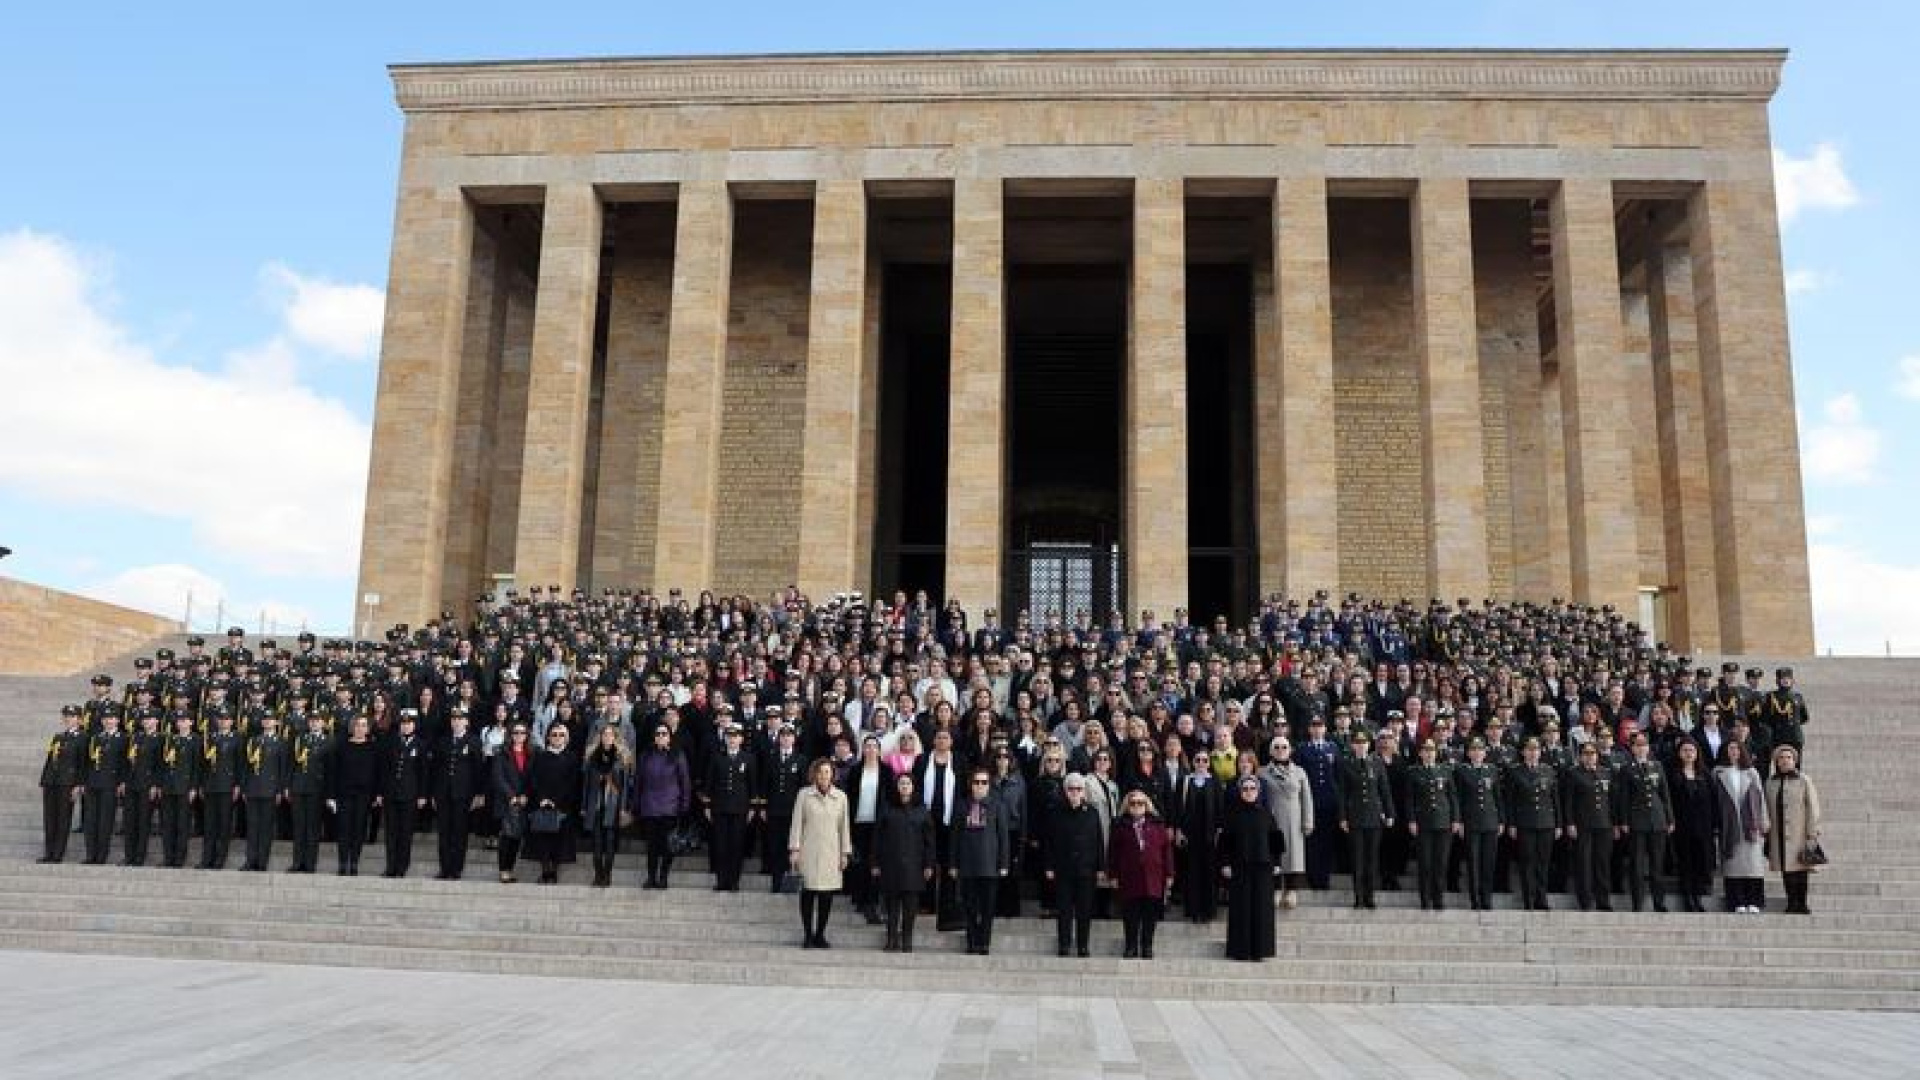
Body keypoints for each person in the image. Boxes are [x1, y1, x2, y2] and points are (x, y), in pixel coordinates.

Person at [788, 757, 852, 948]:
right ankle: (808, 935)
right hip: (808, 851)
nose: (824, 775)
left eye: (827, 772)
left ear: (833, 774)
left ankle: (820, 934)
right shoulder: (804, 795)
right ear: (814, 774)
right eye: (820, 772)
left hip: (831, 853)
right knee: (807, 894)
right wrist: (794, 849)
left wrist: (845, 853)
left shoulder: (841, 797)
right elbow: (797, 823)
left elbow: (844, 827)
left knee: (826, 896)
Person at [949, 767, 1012, 955]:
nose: (980, 786)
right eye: (976, 782)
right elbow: (954, 837)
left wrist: (1004, 864)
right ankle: (972, 942)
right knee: (969, 907)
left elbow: (1003, 837)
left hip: (989, 866)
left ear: (989, 785)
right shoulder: (962, 806)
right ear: (971, 784)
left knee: (987, 908)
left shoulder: (997, 805)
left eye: (984, 782)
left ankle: (984, 943)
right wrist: (953, 864)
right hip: (967, 865)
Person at [1106, 788, 1174, 959]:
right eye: (1133, 803)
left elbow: (1166, 851)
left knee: (1150, 915)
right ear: (1127, 806)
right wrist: (1112, 875)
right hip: (1129, 876)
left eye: (1140, 803)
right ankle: (1131, 946)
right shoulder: (1119, 825)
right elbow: (1112, 853)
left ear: (1147, 805)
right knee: (1130, 914)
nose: (1137, 806)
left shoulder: (1158, 825)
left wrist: (1169, 874)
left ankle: (1147, 946)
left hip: (1153, 876)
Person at [872, 772, 935, 953]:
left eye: (908, 783)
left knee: (910, 908)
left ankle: (907, 940)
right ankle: (891, 939)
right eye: (901, 783)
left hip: (914, 866)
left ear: (913, 787)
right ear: (897, 787)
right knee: (892, 906)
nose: (905, 786)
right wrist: (875, 863)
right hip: (891, 864)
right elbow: (877, 838)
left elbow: (930, 841)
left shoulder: (922, 810)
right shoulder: (887, 808)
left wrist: (929, 864)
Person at [1614, 731, 1675, 912]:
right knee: (1637, 865)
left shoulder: (1657, 766)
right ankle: (1638, 902)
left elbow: (1664, 794)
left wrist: (1669, 818)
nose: (1641, 748)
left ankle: (1659, 902)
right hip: (1636, 820)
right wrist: (1624, 820)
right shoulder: (1627, 769)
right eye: (1638, 745)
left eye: (1644, 745)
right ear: (1632, 748)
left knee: (1657, 864)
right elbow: (1623, 797)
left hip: (1657, 819)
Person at [1045, 772, 1104, 957]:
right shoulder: (1055, 813)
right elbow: (1049, 842)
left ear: (1083, 791)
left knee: (1084, 910)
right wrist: (1049, 866)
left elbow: (1098, 842)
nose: (1075, 792)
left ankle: (1082, 945)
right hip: (1063, 869)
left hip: (1086, 869)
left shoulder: (1092, 813)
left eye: (1078, 789)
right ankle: (1064, 944)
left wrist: (1100, 867)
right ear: (1065, 791)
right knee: (1064, 910)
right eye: (1071, 789)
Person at [1221, 774, 1278, 962]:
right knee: (1241, 909)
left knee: (1261, 910)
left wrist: (1277, 863)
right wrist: (1225, 864)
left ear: (1258, 791)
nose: (1248, 792)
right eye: (1245, 789)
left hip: (1263, 867)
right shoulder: (1231, 815)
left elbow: (1276, 840)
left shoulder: (1267, 814)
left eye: (1252, 789)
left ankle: (1260, 950)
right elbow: (1225, 843)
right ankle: (1241, 950)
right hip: (1239, 868)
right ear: (1240, 792)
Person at [1337, 729, 1394, 910]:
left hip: (1374, 817)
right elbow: (1342, 793)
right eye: (1358, 743)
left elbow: (1384, 790)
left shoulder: (1376, 763)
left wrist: (1390, 813)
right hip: (1355, 817)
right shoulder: (1346, 764)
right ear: (1353, 745)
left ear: (1369, 745)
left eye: (1364, 743)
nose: (1361, 746)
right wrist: (1342, 817)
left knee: (1371, 859)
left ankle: (1370, 896)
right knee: (1357, 860)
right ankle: (1359, 896)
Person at [1503, 737, 1561, 911]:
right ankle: (1528, 898)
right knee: (1527, 861)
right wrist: (1512, 824)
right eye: (1529, 749)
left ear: (1540, 752)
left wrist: (1559, 824)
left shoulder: (1548, 771)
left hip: (1546, 822)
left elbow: (1555, 800)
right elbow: (1510, 801)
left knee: (1543, 863)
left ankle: (1541, 899)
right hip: (1525, 822)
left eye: (1536, 750)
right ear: (1523, 752)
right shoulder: (1515, 771)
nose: (1533, 753)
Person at [1766, 745, 1822, 915]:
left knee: (1801, 868)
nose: (1785, 761)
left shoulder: (1804, 780)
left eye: (1788, 757)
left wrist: (1812, 831)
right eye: (1781, 758)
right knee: (1786, 869)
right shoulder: (1770, 782)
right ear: (1776, 762)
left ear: (1794, 761)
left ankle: (1802, 903)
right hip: (1779, 833)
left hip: (1800, 832)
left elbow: (1812, 807)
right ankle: (1791, 902)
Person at [634, 723, 691, 889]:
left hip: (670, 808)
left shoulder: (678, 755)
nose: (660, 736)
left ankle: (663, 876)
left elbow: (685, 782)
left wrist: (684, 805)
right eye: (658, 733)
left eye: (664, 733)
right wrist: (636, 804)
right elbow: (638, 782)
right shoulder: (645, 755)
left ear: (669, 737)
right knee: (651, 846)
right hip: (650, 808)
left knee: (668, 846)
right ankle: (651, 877)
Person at [1405, 738, 1460, 911]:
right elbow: (1409, 799)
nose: (1429, 754)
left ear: (1436, 753)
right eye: (1426, 751)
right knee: (1425, 864)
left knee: (1441, 863)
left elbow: (1452, 796)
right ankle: (1425, 899)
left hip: (1443, 822)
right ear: (1421, 753)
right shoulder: (1414, 772)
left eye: (1432, 751)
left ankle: (1438, 898)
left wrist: (1456, 819)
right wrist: (1412, 820)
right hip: (1423, 822)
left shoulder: (1445, 770)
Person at [1259, 734, 1313, 910]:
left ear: (1290, 750)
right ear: (1270, 751)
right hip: (1272, 820)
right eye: (1276, 747)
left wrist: (1308, 821)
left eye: (1284, 747)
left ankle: (1291, 890)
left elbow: (1306, 798)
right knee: (1274, 854)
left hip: (1294, 820)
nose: (1280, 750)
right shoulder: (1262, 772)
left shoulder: (1300, 772)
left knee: (1293, 855)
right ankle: (1275, 889)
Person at [1714, 740, 1769, 913]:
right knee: (1733, 866)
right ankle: (1736, 901)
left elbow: (1761, 798)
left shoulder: (1752, 772)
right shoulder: (1718, 772)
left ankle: (1754, 901)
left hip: (1750, 825)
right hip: (1729, 825)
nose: (1734, 751)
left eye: (1737, 748)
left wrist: (1764, 821)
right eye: (1730, 748)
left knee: (1753, 866)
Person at [704, 724, 759, 892]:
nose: (732, 740)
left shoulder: (748, 758)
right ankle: (721, 881)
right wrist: (707, 806)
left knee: (736, 846)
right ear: (725, 738)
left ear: (741, 739)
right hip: (720, 808)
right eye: (729, 736)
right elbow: (710, 783)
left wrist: (752, 808)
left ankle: (734, 881)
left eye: (735, 737)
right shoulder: (717, 757)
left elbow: (753, 785)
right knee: (720, 846)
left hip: (740, 809)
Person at [1562, 741, 1616, 911]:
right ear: (1580, 756)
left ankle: (1603, 900)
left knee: (1602, 863)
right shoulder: (1573, 774)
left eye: (1593, 753)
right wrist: (1570, 823)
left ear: (1597, 756)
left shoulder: (1606, 772)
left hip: (1604, 824)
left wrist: (1615, 823)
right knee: (1584, 863)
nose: (1590, 756)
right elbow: (1568, 801)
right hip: (1583, 824)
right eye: (1586, 753)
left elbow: (1612, 800)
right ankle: (1585, 900)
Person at [433, 708, 485, 880]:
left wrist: (479, 794)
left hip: (463, 794)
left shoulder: (474, 741)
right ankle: (444, 868)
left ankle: (456, 869)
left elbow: (478, 769)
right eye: (454, 719)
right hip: (443, 793)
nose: (456, 722)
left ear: (466, 722)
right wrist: (433, 794)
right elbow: (436, 769)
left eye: (460, 719)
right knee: (444, 832)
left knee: (459, 832)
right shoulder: (443, 741)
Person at [1173, 747, 1223, 923]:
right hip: (1190, 835)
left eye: (1205, 760)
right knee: (1192, 872)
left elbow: (1220, 808)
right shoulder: (1185, 781)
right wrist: (1178, 830)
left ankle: (1208, 911)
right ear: (1193, 762)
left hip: (1210, 835)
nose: (1201, 763)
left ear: (1209, 763)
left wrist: (1219, 830)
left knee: (1209, 872)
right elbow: (1178, 807)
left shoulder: (1214, 781)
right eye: (1198, 760)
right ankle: (1193, 910)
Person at [1667, 738, 1717, 912]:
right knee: (1685, 862)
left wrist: (1714, 824)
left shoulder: (1705, 774)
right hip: (1682, 826)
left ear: (1697, 754)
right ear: (1679, 753)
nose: (1688, 754)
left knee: (1700, 861)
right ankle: (1688, 897)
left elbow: (1713, 800)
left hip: (1703, 826)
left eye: (1691, 750)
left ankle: (1698, 896)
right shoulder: (1673, 774)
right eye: (1685, 750)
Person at [527, 722, 581, 884]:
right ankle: (545, 871)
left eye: (561, 735)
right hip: (541, 804)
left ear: (566, 738)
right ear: (548, 737)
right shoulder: (540, 756)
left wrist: (556, 801)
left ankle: (554, 872)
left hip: (563, 805)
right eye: (554, 734)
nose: (557, 737)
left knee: (560, 840)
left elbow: (573, 782)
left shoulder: (572, 758)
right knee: (542, 839)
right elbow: (533, 779)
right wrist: (541, 798)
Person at [377, 710, 429, 878]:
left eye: (409, 723)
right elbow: (383, 769)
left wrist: (422, 795)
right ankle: (390, 866)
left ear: (414, 725)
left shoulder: (420, 744)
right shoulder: (391, 742)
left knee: (405, 832)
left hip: (410, 794)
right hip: (391, 793)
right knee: (391, 832)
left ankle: (402, 867)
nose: (406, 726)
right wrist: (380, 792)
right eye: (403, 723)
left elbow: (423, 772)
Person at [1454, 737, 1503, 911]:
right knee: (1473, 862)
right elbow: (1458, 798)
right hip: (1471, 821)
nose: (1477, 753)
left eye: (1480, 750)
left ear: (1485, 753)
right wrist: (1459, 821)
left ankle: (1486, 898)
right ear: (1468, 753)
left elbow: (1497, 797)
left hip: (1490, 821)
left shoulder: (1492, 770)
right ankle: (1475, 898)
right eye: (1473, 750)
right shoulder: (1462, 770)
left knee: (1488, 863)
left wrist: (1501, 820)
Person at [580, 725, 632, 888]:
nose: (607, 737)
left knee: (609, 842)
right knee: (596, 842)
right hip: (595, 805)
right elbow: (586, 784)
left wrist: (623, 807)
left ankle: (607, 875)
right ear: (600, 737)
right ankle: (598, 874)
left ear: (615, 738)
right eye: (604, 734)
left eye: (610, 734)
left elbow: (625, 786)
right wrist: (584, 806)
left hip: (613, 805)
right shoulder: (592, 757)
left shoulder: (621, 758)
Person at [80, 707, 129, 865]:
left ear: (118, 721)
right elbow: (87, 761)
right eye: (106, 719)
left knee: (105, 822)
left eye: (112, 718)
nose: (108, 721)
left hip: (110, 784)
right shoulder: (95, 738)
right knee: (90, 821)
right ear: (102, 721)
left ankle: (101, 856)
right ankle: (90, 855)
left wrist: (122, 782)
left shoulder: (123, 739)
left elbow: (125, 763)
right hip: (92, 783)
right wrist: (83, 781)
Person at [39, 705, 87, 864]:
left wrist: (79, 784)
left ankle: (57, 854)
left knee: (63, 819)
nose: (68, 719)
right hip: (51, 781)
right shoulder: (58, 737)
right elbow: (50, 759)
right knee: (49, 818)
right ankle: (49, 852)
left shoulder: (83, 738)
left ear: (79, 719)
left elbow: (83, 763)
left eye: (72, 716)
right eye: (66, 716)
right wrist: (45, 780)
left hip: (67, 783)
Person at [156, 710, 202, 869]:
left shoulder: (195, 740)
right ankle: (168, 857)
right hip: (168, 786)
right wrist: (160, 784)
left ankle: (179, 859)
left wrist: (193, 787)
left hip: (184, 787)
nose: (181, 723)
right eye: (179, 721)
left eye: (184, 720)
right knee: (168, 824)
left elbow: (197, 766)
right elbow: (163, 764)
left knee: (182, 825)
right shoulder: (171, 739)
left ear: (191, 722)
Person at [287, 711, 332, 873]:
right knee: (299, 827)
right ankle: (297, 862)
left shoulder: (328, 741)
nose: (314, 723)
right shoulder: (300, 739)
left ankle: (310, 864)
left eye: (317, 721)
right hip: (299, 787)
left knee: (312, 828)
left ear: (323, 723)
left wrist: (329, 793)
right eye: (312, 720)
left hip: (317, 789)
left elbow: (330, 769)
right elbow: (292, 764)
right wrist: (289, 786)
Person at [490, 722, 535, 883]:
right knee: (506, 836)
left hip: (523, 802)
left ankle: (510, 869)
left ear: (527, 735)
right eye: (516, 732)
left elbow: (533, 778)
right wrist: (511, 796)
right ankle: (503, 870)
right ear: (510, 734)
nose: (519, 735)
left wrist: (526, 795)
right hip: (507, 801)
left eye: (522, 733)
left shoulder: (532, 753)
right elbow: (498, 777)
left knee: (516, 837)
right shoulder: (501, 753)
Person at [123, 709, 162, 866]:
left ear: (157, 721)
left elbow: (160, 764)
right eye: (144, 719)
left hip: (147, 784)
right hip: (132, 782)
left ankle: (139, 856)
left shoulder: (160, 739)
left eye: (150, 719)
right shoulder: (136, 737)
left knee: (143, 821)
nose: (146, 721)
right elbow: (128, 761)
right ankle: (129, 856)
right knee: (130, 821)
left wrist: (155, 784)